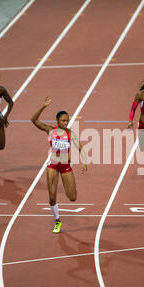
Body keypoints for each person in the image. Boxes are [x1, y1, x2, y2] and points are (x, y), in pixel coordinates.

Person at [31, 96, 87, 234]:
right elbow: (34, 120)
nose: (66, 122)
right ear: (57, 121)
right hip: (53, 165)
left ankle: (70, 187)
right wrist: (43, 106)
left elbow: (80, 147)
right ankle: (57, 220)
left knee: (73, 197)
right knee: (52, 197)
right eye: (63, 120)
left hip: (66, 166)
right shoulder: (50, 130)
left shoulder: (70, 133)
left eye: (67, 120)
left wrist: (84, 161)